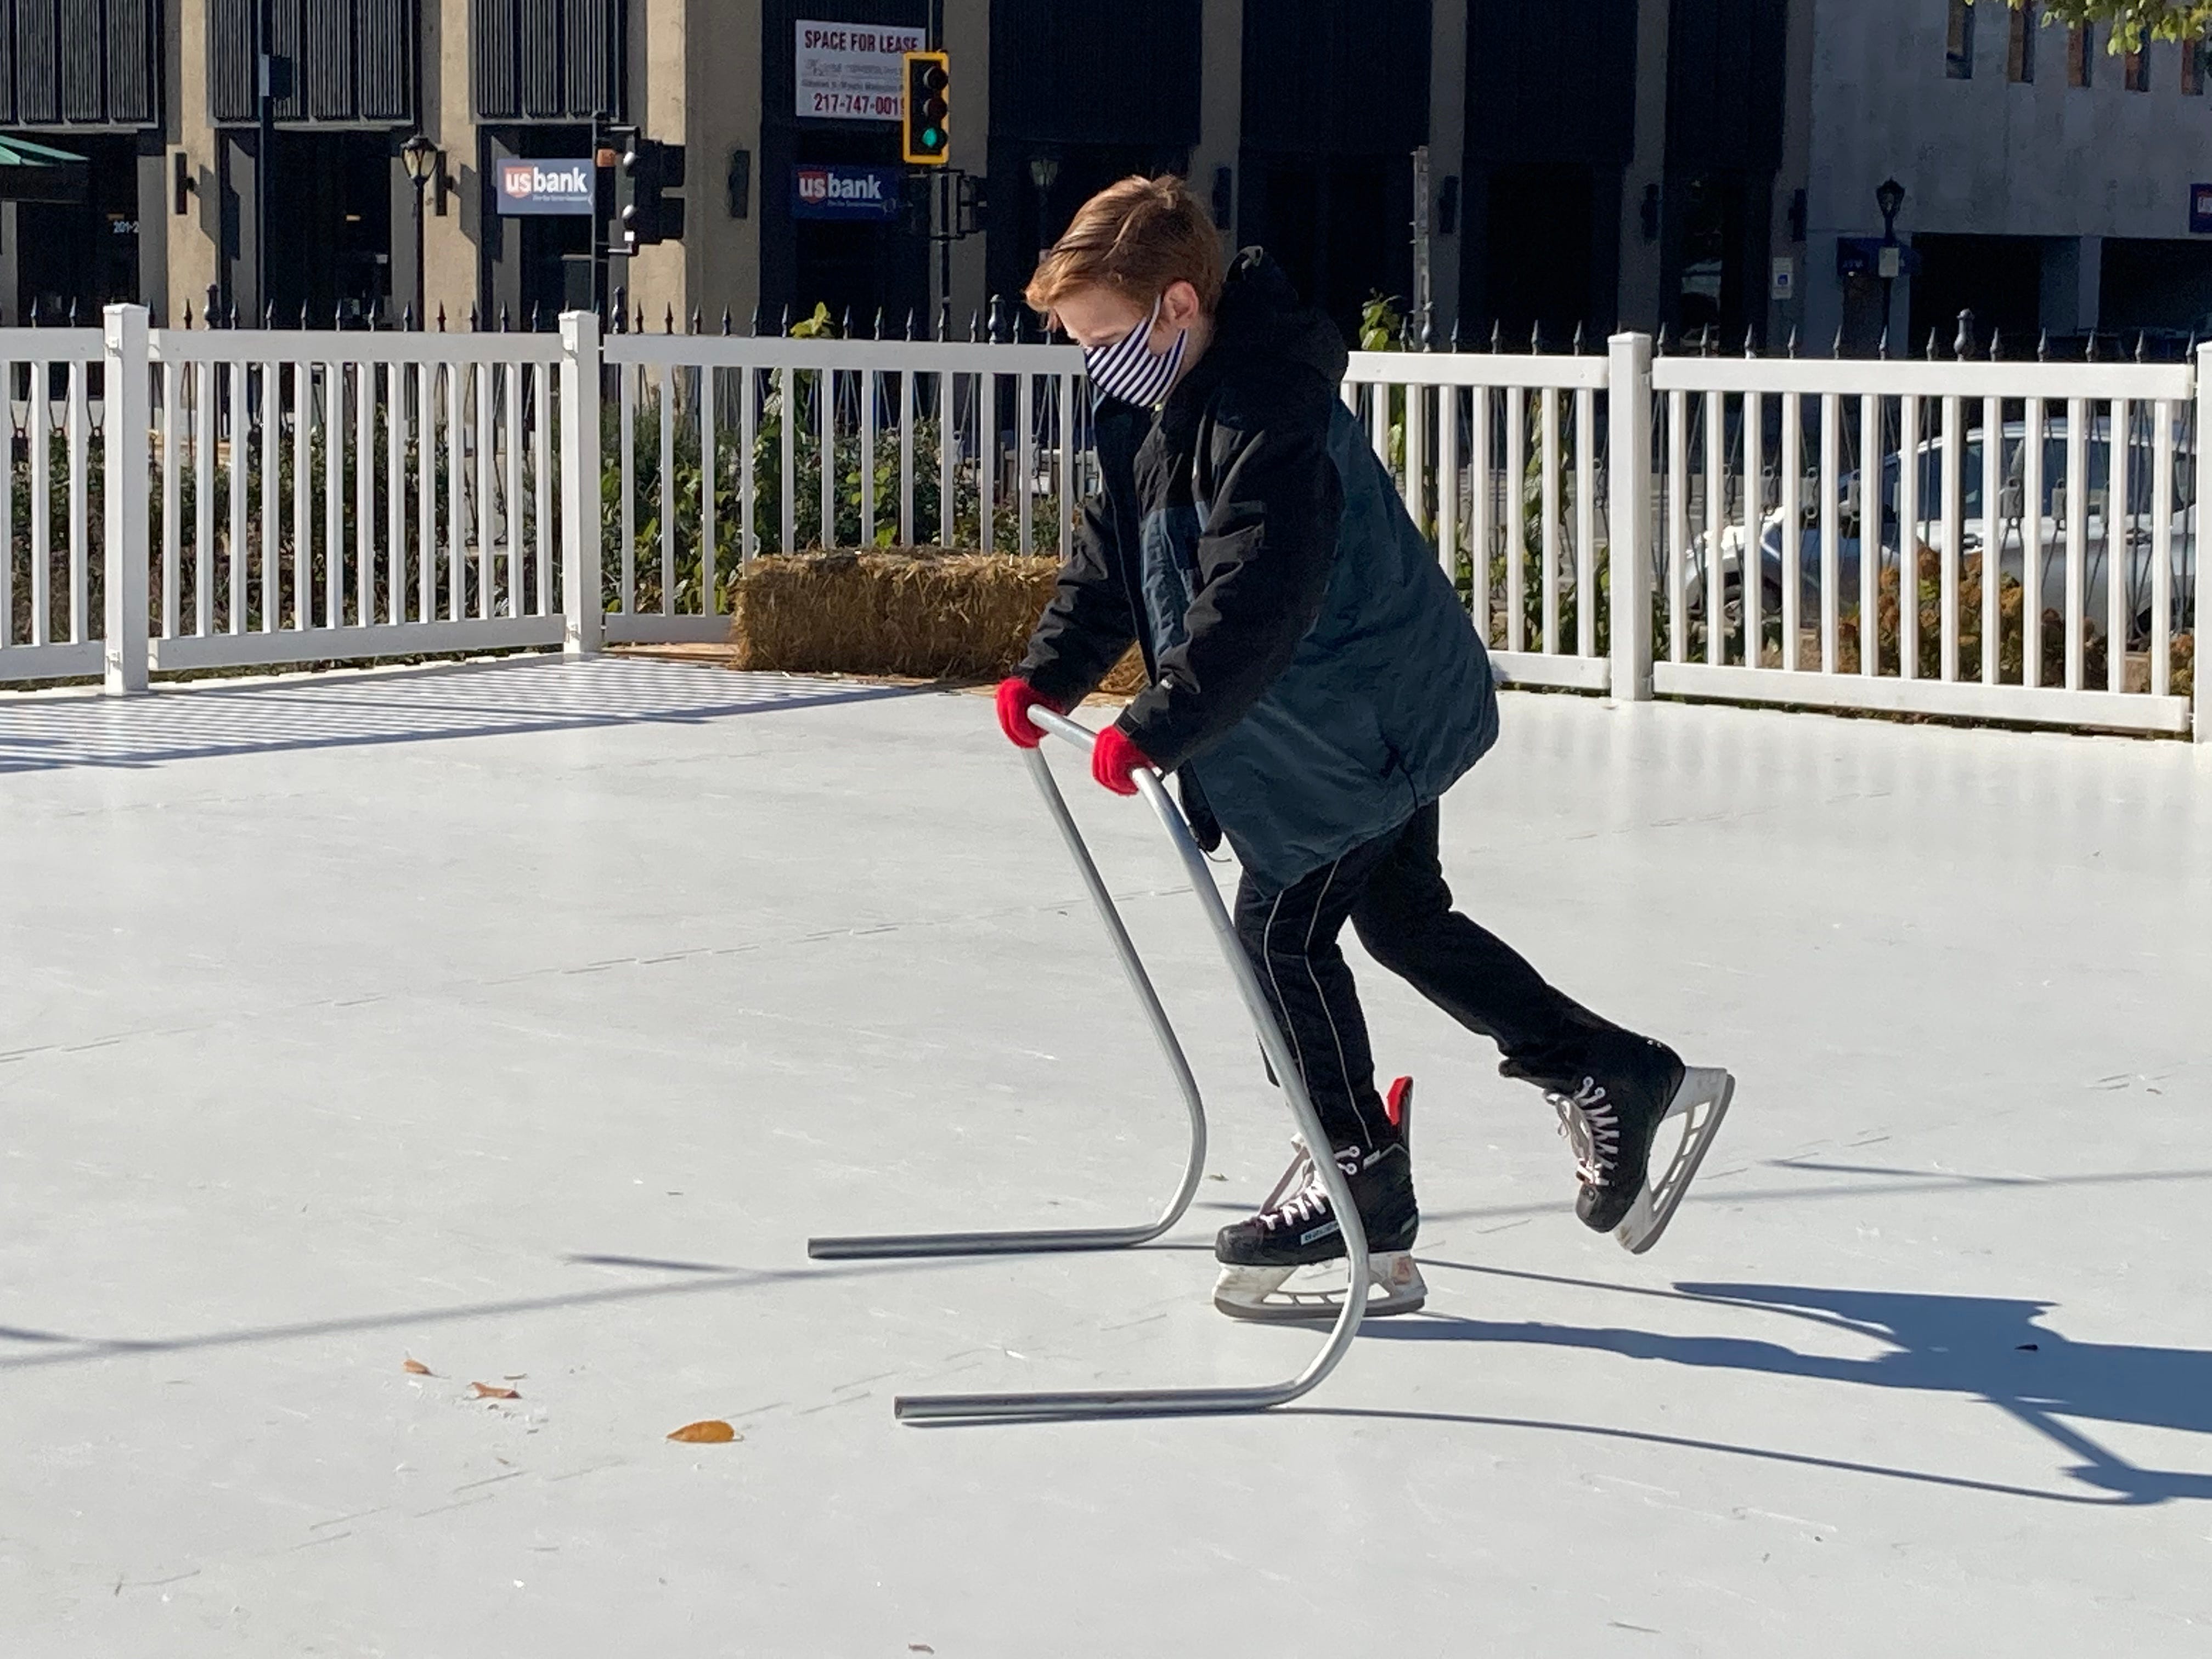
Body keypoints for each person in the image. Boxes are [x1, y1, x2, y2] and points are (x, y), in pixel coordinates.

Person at [994, 176, 1734, 1322]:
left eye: (1103, 337)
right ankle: (1610, 1071)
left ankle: (1360, 1181)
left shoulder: (1267, 413)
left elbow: (1258, 597)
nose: (1096, 363)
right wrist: (1049, 672)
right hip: (1329, 722)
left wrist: (1159, 723)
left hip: (1365, 715)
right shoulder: (1153, 406)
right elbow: (1115, 560)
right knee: (1398, 919)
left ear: (1176, 305)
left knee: (1278, 936)